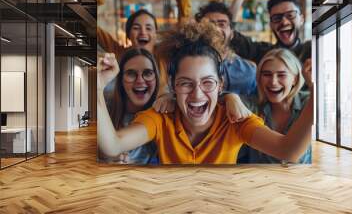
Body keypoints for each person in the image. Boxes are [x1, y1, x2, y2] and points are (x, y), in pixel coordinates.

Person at [97, 21, 313, 164]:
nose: (197, 95)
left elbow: (289, 151)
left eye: (207, 83)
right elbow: (112, 145)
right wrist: (97, 87)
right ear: (172, 85)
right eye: (185, 83)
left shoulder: (234, 120)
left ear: (220, 84)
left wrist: (316, 91)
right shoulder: (161, 117)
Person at [237, 48, 312, 164]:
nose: (273, 82)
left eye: (281, 75)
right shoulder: (251, 106)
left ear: (295, 79)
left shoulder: (308, 102)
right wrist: (229, 97)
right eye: (267, 74)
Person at [98, 48, 159, 164]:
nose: (140, 81)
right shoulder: (104, 107)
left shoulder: (162, 113)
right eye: (131, 73)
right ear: (121, 80)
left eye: (147, 73)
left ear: (156, 78)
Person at [195, 1, 257, 96]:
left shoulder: (249, 71)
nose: (216, 29)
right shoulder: (186, 66)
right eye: (209, 24)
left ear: (232, 33)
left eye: (222, 24)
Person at [230, 0, 311, 65]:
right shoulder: (264, 53)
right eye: (276, 18)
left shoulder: (312, 51)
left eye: (290, 15)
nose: (284, 22)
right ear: (271, 25)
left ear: (301, 19)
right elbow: (229, 34)